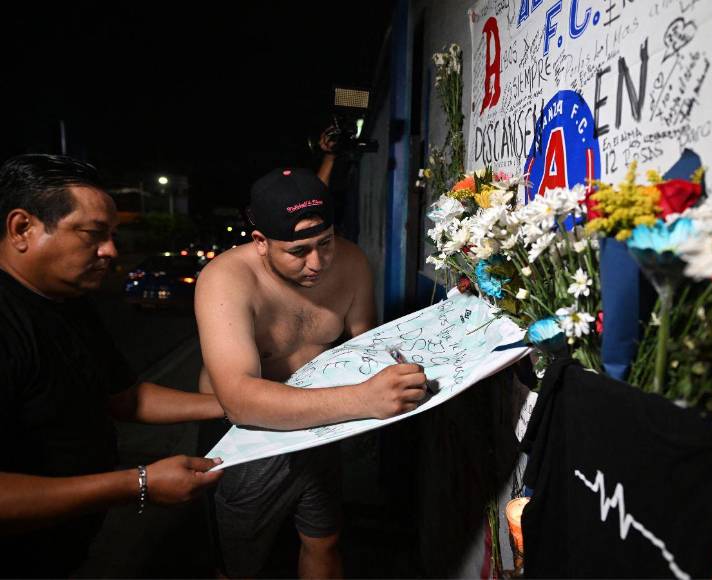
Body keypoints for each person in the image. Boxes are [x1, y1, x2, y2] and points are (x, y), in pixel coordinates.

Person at [0, 154, 226, 578]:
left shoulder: (69, 301)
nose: (111, 251)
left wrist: (233, 404)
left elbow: (126, 397)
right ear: (22, 229)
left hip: (65, 548)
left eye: (113, 234)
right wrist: (139, 483)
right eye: (93, 234)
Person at [195, 166, 427, 578]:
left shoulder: (352, 261)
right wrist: (364, 399)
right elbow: (239, 400)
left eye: (326, 242)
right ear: (261, 242)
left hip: (319, 423)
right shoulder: (225, 279)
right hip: (246, 438)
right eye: (299, 251)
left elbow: (367, 349)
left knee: (324, 539)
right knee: (238, 565)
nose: (317, 262)